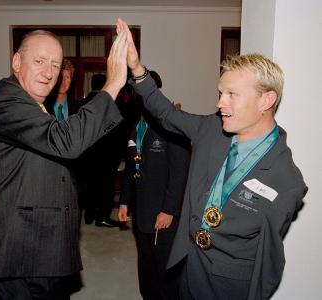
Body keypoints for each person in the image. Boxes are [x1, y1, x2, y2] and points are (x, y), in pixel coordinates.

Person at [117, 18, 307, 300]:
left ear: (266, 100)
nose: (220, 103)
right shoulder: (211, 130)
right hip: (190, 268)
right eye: (220, 93)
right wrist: (136, 68)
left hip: (231, 286)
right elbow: (166, 113)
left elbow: (268, 262)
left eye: (231, 95)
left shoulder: (286, 181)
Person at [0, 28, 128, 299]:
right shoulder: (4, 97)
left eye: (55, 65)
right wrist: (112, 84)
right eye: (40, 61)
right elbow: (65, 141)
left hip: (46, 245)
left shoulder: (31, 104)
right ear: (16, 62)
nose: (49, 72)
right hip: (22, 248)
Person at [118, 70, 191, 300]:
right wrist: (124, 201)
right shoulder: (137, 124)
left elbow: (180, 172)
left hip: (163, 212)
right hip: (141, 210)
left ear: (155, 92)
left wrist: (169, 210)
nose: (138, 96)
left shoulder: (171, 122)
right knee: (146, 262)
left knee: (165, 268)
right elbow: (131, 167)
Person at [78, 73, 121, 227]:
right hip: (107, 155)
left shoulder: (83, 103)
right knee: (106, 187)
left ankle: (89, 215)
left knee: (90, 186)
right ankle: (102, 217)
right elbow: (116, 132)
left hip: (87, 155)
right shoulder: (109, 104)